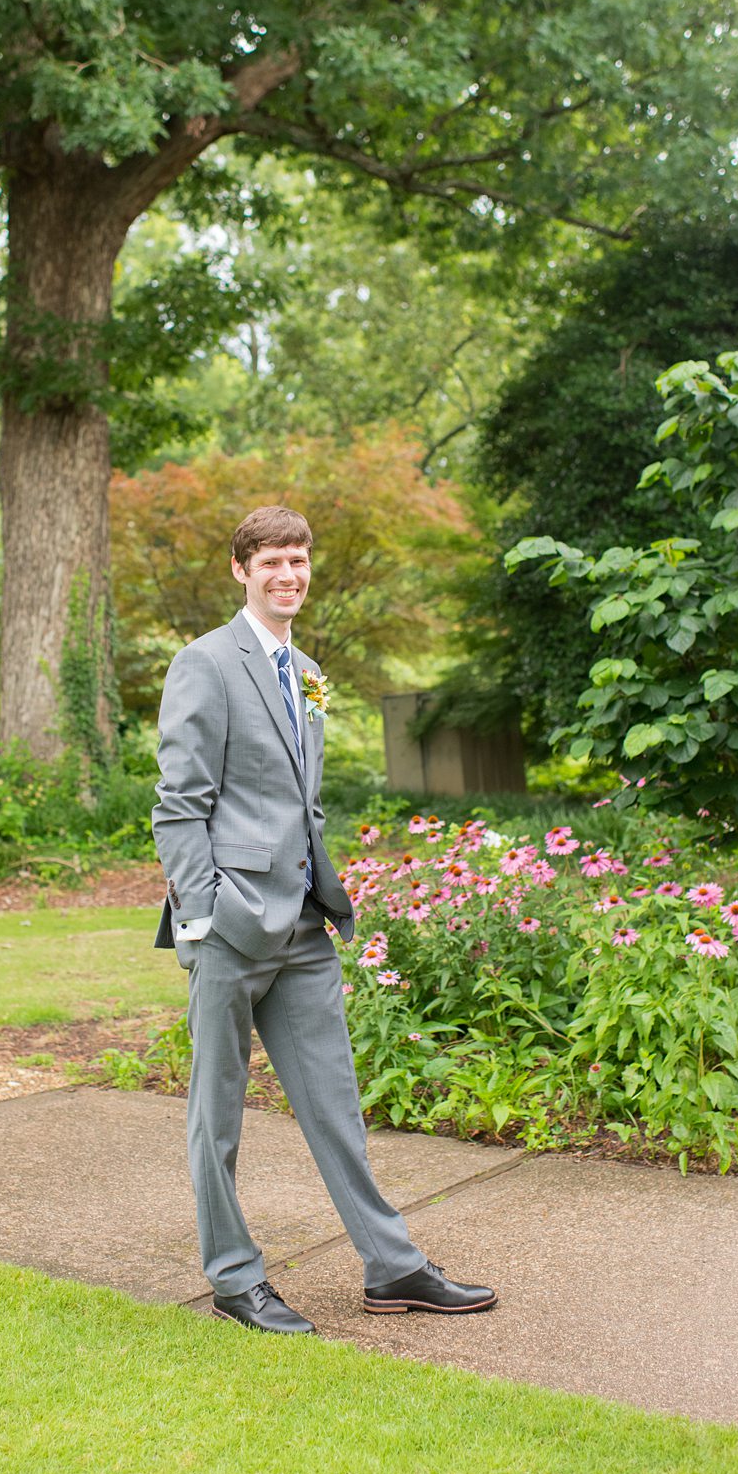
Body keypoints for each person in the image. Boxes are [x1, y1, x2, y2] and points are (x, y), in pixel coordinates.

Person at [152, 504, 497, 1334]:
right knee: (217, 1116)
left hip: (304, 925)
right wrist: (204, 917)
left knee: (336, 1106)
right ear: (241, 570)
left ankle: (393, 1268)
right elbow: (178, 807)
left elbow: (295, 802)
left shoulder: (306, 670)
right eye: (271, 561)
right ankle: (235, 1280)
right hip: (232, 929)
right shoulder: (204, 664)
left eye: (299, 561)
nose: (288, 576)